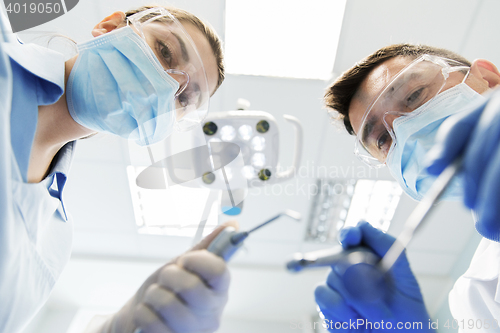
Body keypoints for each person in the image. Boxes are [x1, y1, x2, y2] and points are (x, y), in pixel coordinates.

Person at [0, 3, 237, 333]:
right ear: (110, 26)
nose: (168, 85)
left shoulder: (53, 241)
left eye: (185, 98)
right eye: (165, 51)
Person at [315, 43, 500, 332]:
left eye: (414, 95)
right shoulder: (478, 297)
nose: (405, 131)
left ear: (488, 80)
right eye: (382, 140)